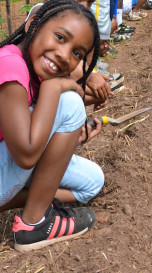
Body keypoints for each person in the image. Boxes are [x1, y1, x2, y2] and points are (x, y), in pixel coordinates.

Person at [0, 0, 104, 252]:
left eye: (77, 53)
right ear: (33, 24)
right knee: (69, 104)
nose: (64, 55)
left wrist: (66, 140)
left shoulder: (34, 72)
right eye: (60, 37)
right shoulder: (10, 65)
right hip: (16, 156)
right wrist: (54, 87)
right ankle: (33, 224)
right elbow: (25, 155)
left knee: (92, 181)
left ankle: (30, 200)